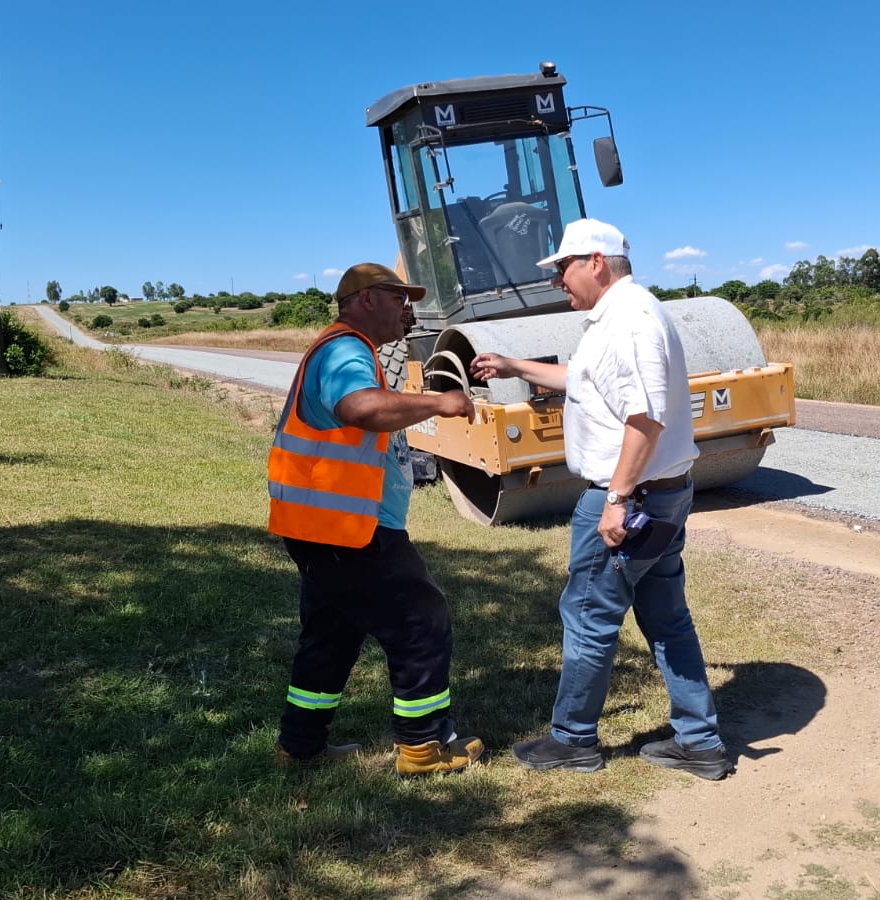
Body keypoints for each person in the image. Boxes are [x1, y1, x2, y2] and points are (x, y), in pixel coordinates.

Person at [469, 219, 732, 780]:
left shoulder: (628, 323)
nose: (558, 281)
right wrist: (515, 366)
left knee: (588, 614)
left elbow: (644, 418)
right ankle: (700, 741)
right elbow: (587, 379)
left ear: (595, 261)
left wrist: (616, 498)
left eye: (562, 268)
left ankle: (573, 740)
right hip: (662, 494)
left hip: (630, 500)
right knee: (666, 619)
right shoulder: (625, 315)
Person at [268, 262, 484, 777]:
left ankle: (300, 747)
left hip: (320, 525)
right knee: (421, 622)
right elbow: (362, 408)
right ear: (365, 300)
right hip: (350, 530)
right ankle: (423, 747)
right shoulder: (345, 349)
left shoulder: (348, 349)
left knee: (331, 634)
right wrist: (441, 402)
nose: (408, 307)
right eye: (398, 297)